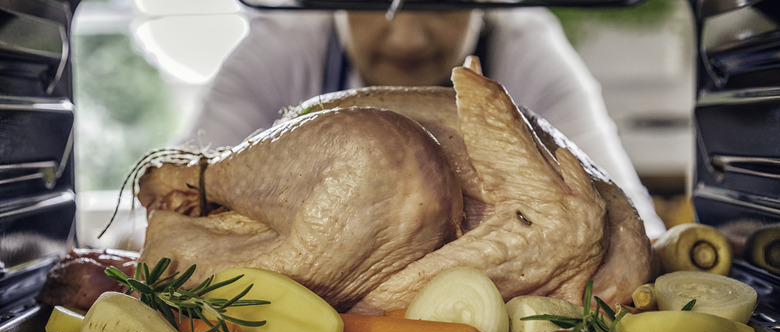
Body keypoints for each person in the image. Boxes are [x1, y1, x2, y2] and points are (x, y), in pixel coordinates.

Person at [183, 6, 666, 238]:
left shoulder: (526, 52)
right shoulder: (281, 51)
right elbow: (183, 190)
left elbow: (624, 213)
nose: (408, 38)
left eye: (441, 2)